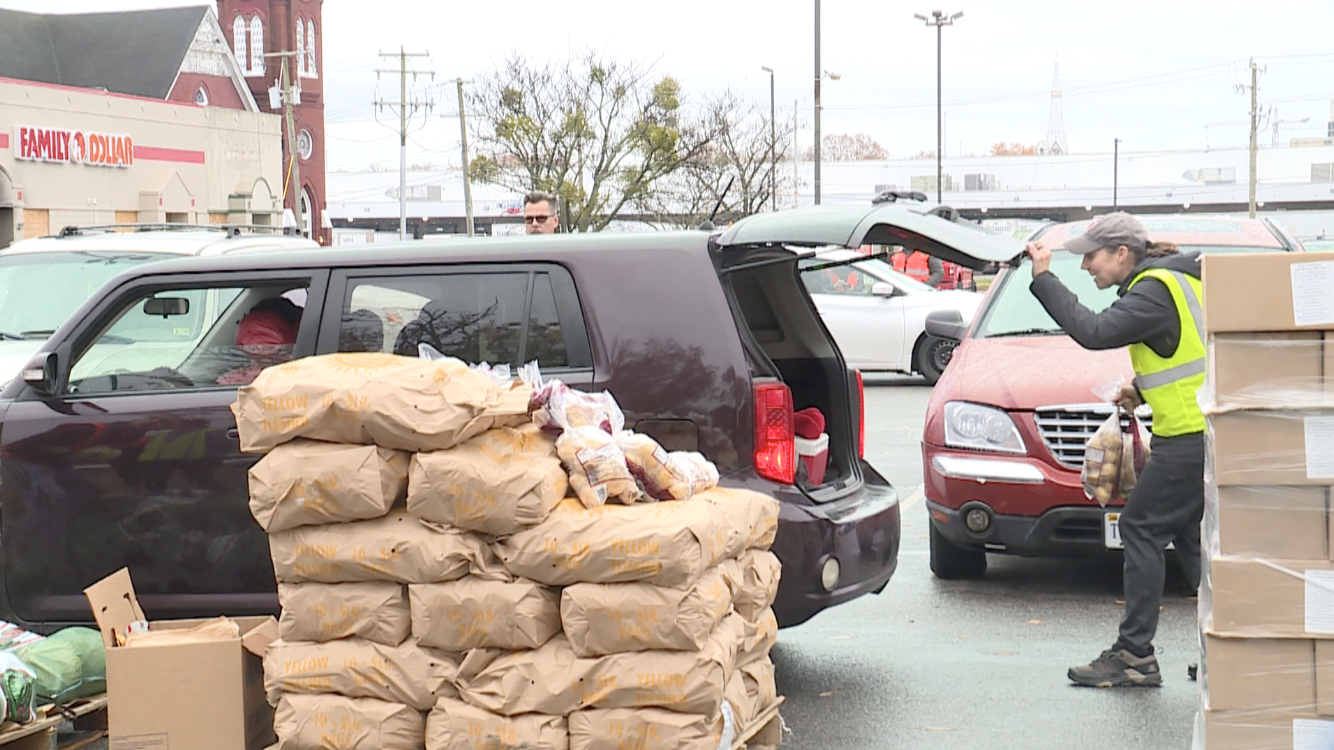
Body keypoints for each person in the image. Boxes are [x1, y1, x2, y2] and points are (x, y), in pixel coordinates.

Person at [1025, 212, 1204, 689]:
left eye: (1092, 256)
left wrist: (1044, 279)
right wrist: (1143, 391)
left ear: (1122, 254)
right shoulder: (1179, 279)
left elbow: (1095, 331)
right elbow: (1191, 357)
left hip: (1188, 438)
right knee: (1196, 545)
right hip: (1199, 434)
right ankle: (1227, 647)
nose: (1086, 266)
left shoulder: (1154, 289)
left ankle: (1134, 655)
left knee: (1140, 529)